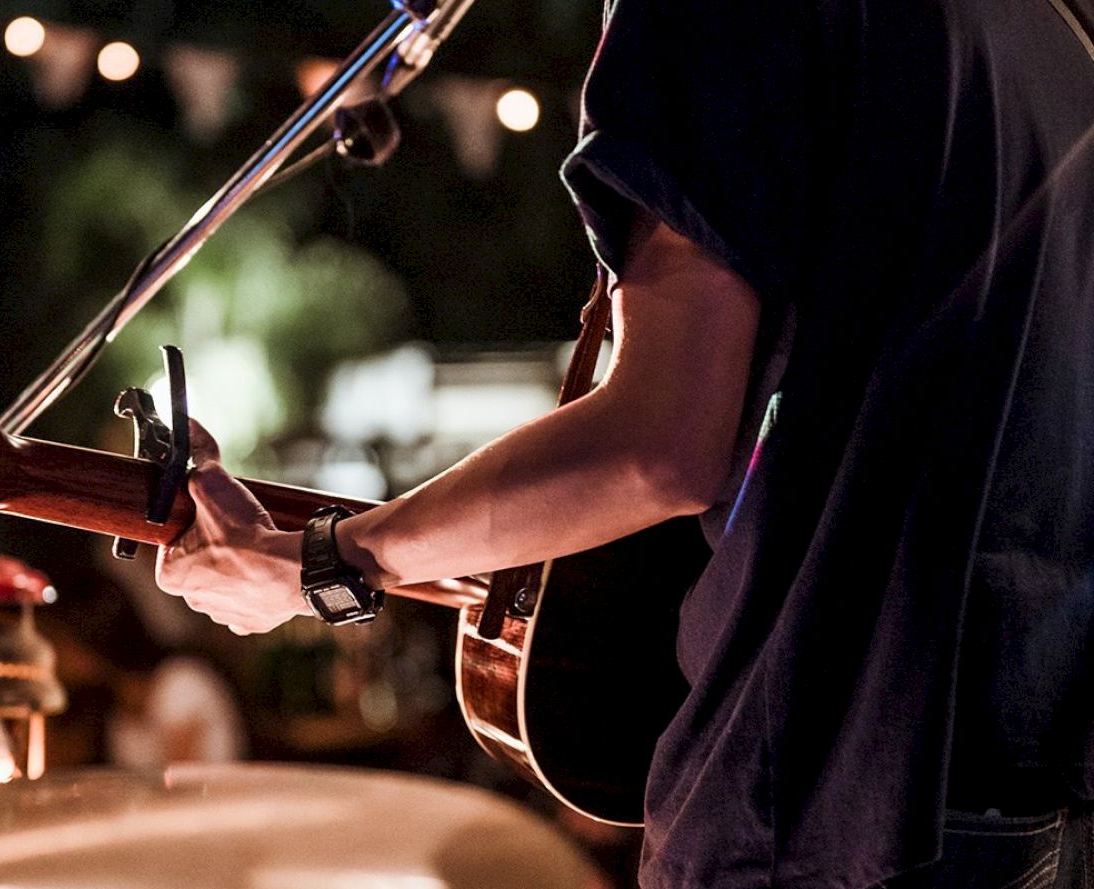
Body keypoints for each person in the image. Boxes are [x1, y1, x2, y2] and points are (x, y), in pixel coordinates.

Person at [156, 2, 1094, 888]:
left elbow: (659, 450)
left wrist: (320, 564)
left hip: (825, 793)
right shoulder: (1049, 27)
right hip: (1033, 787)